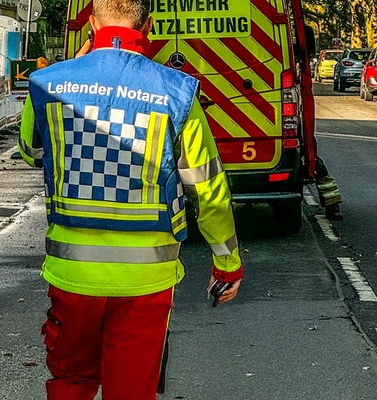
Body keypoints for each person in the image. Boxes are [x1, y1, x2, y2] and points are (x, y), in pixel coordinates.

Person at [17, 0, 243, 398]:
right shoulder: (177, 92)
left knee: (71, 379)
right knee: (132, 390)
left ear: (91, 24)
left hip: (72, 275)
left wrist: (64, 72)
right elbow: (206, 187)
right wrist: (227, 262)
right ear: (149, 25)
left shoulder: (49, 83)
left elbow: (32, 150)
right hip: (147, 279)